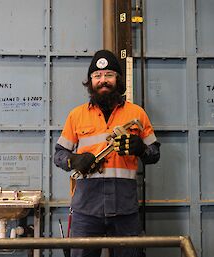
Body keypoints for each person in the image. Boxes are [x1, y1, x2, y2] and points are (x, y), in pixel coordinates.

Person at [54, 49, 160, 257]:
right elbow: (58, 155)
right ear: (91, 81)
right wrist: (74, 160)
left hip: (125, 210)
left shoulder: (136, 114)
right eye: (97, 76)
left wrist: (141, 148)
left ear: (118, 79)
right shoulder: (76, 115)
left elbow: (154, 153)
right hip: (86, 210)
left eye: (109, 75)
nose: (103, 81)